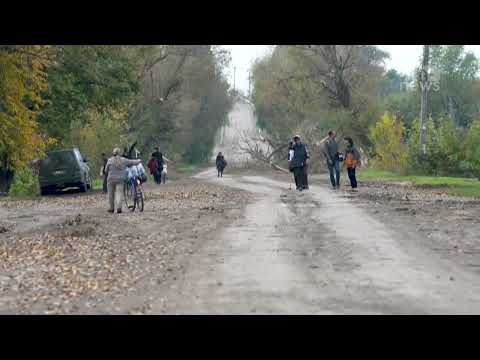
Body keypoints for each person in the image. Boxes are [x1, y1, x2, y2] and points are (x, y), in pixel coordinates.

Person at [104, 147, 142, 214]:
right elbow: (132, 162)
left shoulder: (109, 160)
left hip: (111, 179)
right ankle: (119, 208)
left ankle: (111, 208)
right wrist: (139, 160)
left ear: (113, 153)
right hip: (120, 179)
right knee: (119, 194)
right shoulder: (123, 160)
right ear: (120, 153)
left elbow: (106, 170)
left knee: (111, 194)